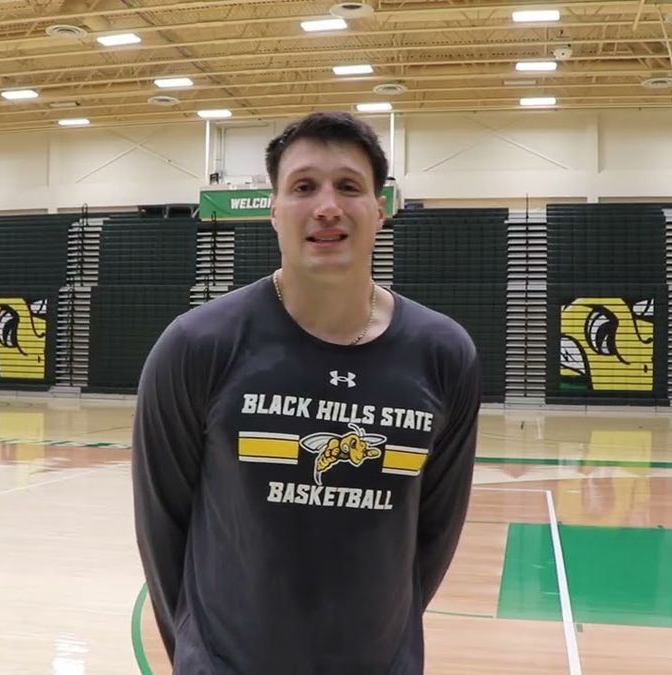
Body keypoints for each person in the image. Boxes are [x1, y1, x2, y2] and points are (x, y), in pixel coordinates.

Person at [131, 110, 481, 675]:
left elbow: (435, 534)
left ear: (381, 209)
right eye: (303, 187)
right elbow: (161, 528)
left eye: (349, 186)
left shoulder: (443, 354)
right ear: (273, 210)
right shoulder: (196, 346)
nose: (327, 206)